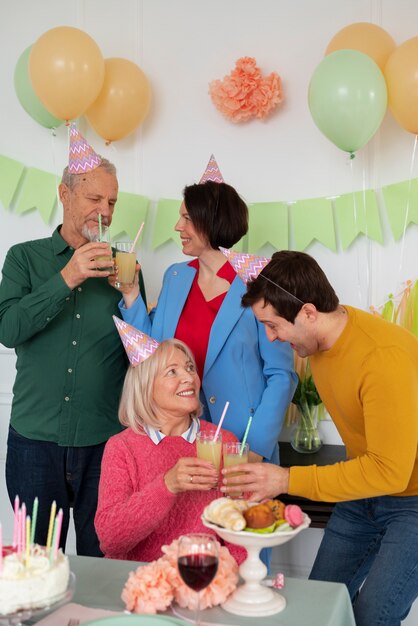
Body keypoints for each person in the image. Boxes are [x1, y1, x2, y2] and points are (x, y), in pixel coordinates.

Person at [221, 250, 418, 626]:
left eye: (274, 325)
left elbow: (390, 472)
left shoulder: (382, 358)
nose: (271, 337)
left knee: (372, 616)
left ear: (309, 312)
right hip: (363, 493)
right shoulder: (317, 343)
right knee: (320, 607)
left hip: (413, 499)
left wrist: (286, 479)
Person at [0, 127, 146, 556]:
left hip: (106, 444)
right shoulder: (24, 258)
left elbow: (144, 358)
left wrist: (133, 296)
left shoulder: (126, 268)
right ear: (64, 195)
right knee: (38, 564)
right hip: (34, 441)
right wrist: (69, 277)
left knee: (104, 561)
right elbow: (7, 330)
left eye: (112, 202)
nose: (105, 210)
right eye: (94, 198)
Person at [116, 157, 296, 464]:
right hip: (180, 437)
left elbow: (281, 375)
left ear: (210, 222)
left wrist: (256, 447)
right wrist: (131, 294)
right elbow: (154, 354)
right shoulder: (175, 276)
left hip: (242, 442)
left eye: (186, 218)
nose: (177, 227)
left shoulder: (260, 283)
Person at [95, 319, 245, 564]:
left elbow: (242, 533)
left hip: (202, 581)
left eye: (189, 368)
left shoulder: (224, 442)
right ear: (146, 387)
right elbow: (110, 539)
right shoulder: (121, 447)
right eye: (172, 372)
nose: (188, 377)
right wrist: (167, 485)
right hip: (140, 583)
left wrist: (230, 583)